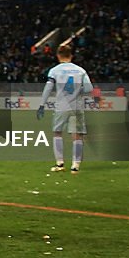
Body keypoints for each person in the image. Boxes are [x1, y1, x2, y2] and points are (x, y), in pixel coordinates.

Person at [37, 44, 94, 173]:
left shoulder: (54, 71)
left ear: (58, 56)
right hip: (77, 106)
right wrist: (78, 90)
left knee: (57, 133)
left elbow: (48, 88)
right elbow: (89, 89)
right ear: (71, 55)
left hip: (62, 106)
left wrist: (42, 104)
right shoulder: (80, 70)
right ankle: (75, 166)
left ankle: (60, 164)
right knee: (77, 135)